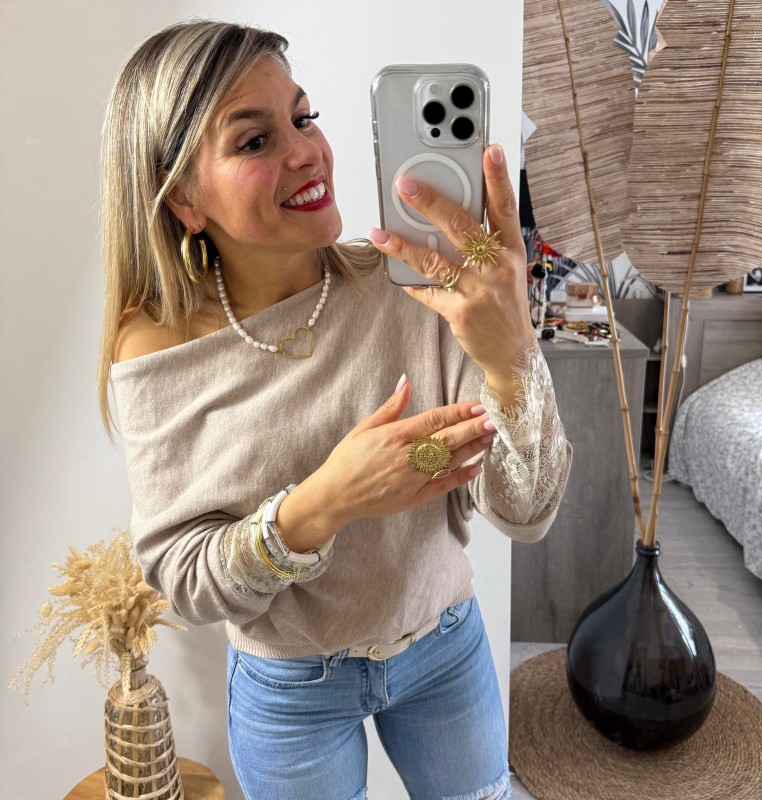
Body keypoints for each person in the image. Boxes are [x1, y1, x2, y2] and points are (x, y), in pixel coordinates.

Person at [98, 19, 573, 800]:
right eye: (255, 141)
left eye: (304, 116)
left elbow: (527, 512)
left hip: (444, 647)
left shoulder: (418, 289)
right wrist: (323, 504)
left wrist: (513, 355)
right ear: (182, 196)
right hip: (289, 690)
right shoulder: (156, 348)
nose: (308, 152)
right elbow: (184, 579)